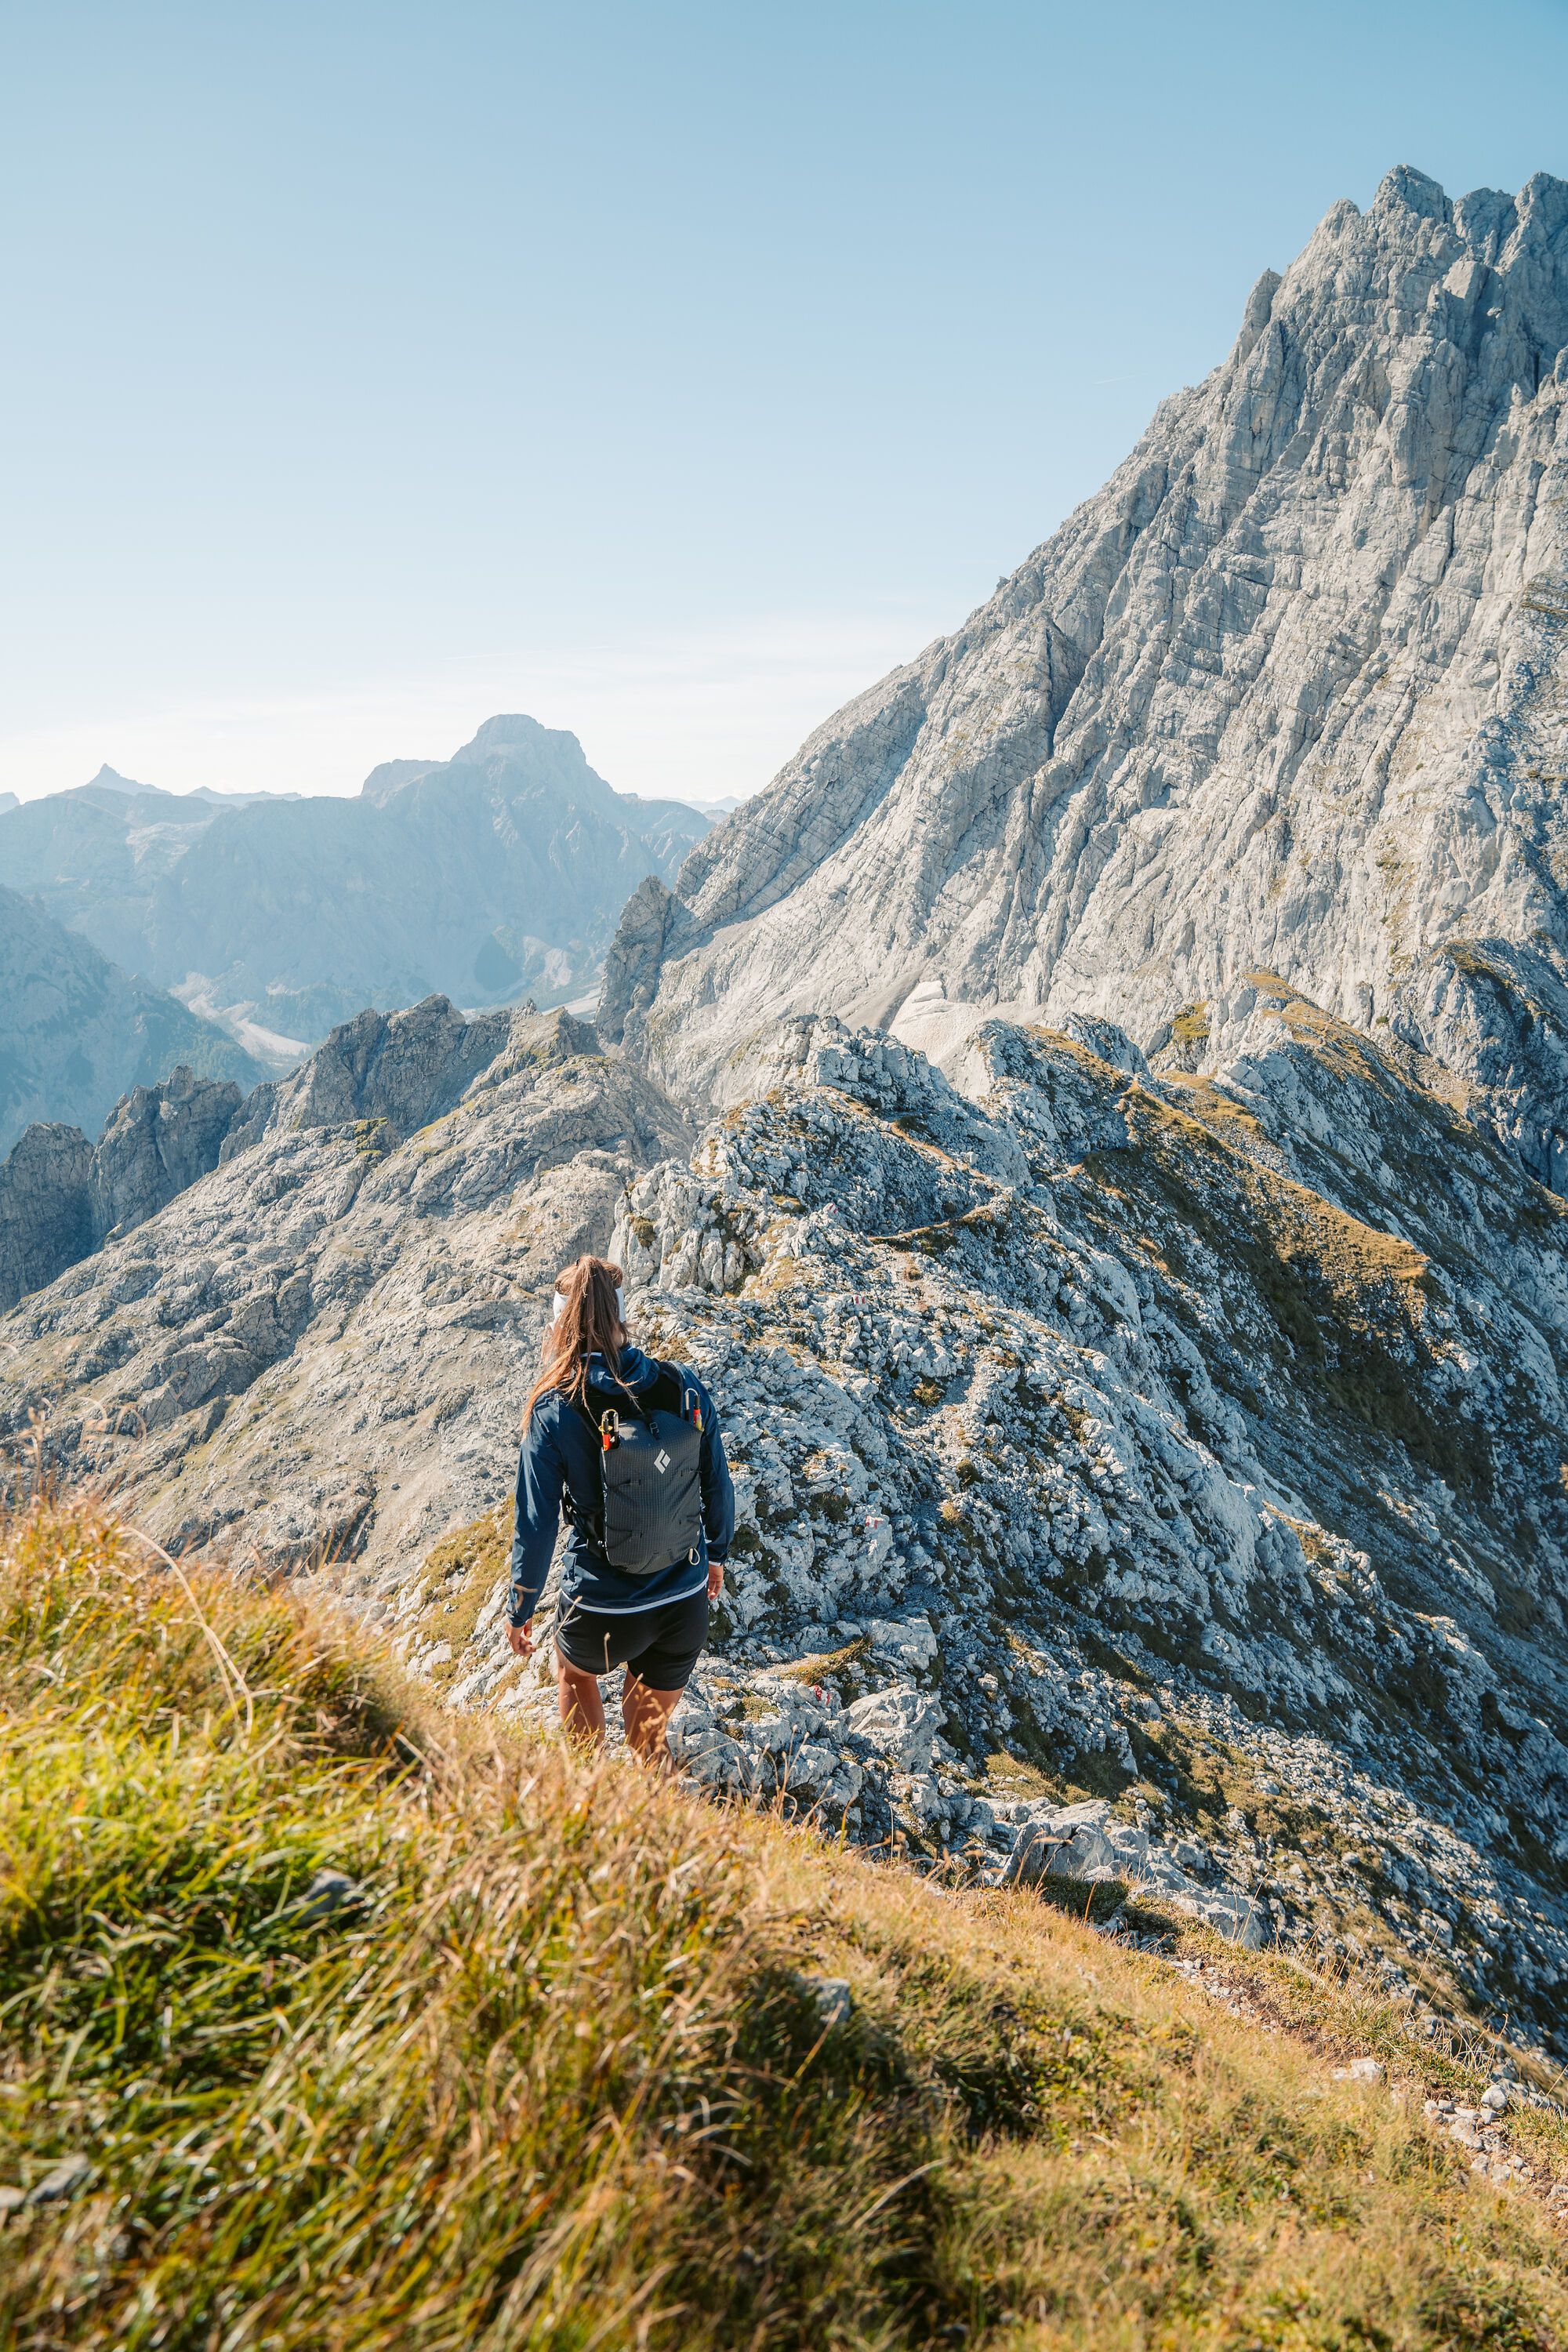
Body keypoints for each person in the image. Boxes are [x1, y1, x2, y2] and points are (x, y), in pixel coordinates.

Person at [507, 1254, 734, 1766]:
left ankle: (591, 1793)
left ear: (557, 1326)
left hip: (603, 1605)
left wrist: (521, 1608)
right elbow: (716, 1484)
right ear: (622, 1318)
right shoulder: (683, 1385)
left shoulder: (554, 1409)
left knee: (574, 1672)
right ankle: (663, 1822)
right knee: (649, 1745)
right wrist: (715, 1555)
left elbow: (536, 1525)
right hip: (683, 1599)